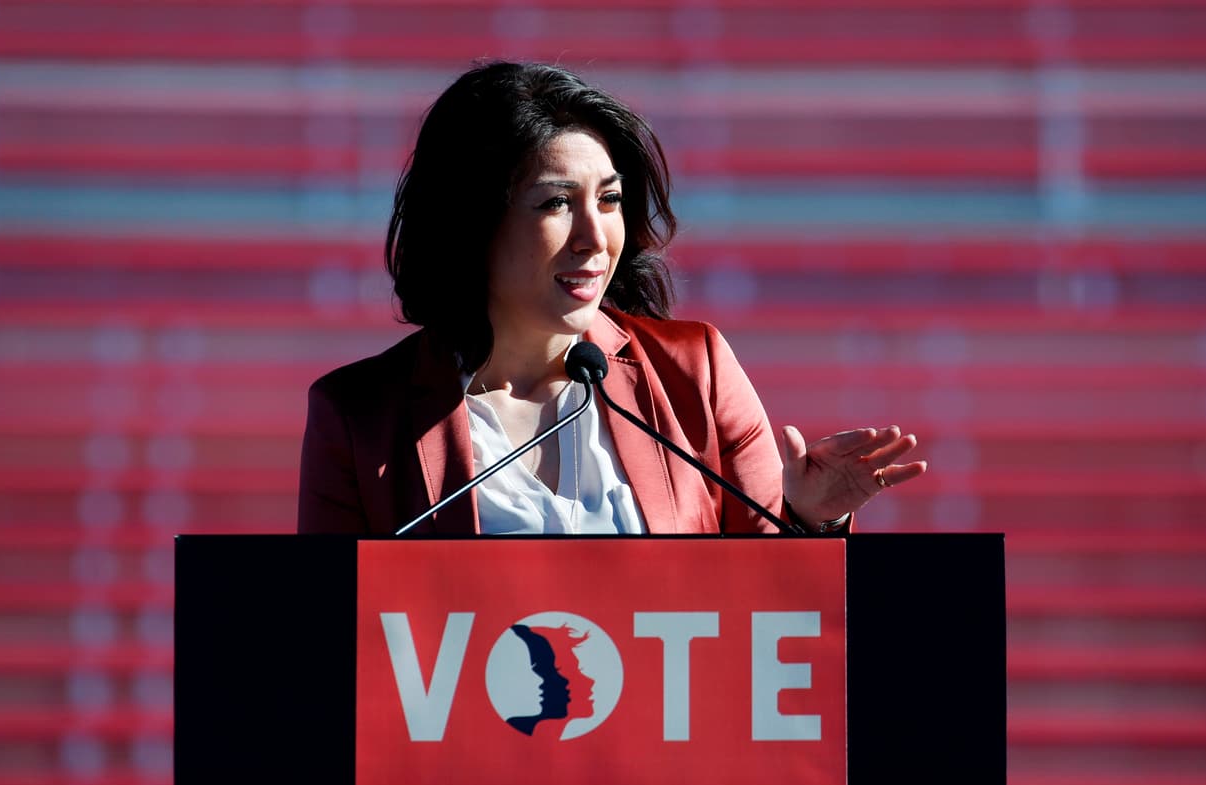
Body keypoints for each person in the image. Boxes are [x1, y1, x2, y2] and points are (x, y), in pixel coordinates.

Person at [297, 61, 925, 536]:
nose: (595, 238)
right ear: (471, 223)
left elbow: (768, 615)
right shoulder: (359, 417)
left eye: (609, 199)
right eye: (555, 204)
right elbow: (326, 638)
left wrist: (809, 519)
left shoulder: (694, 372)